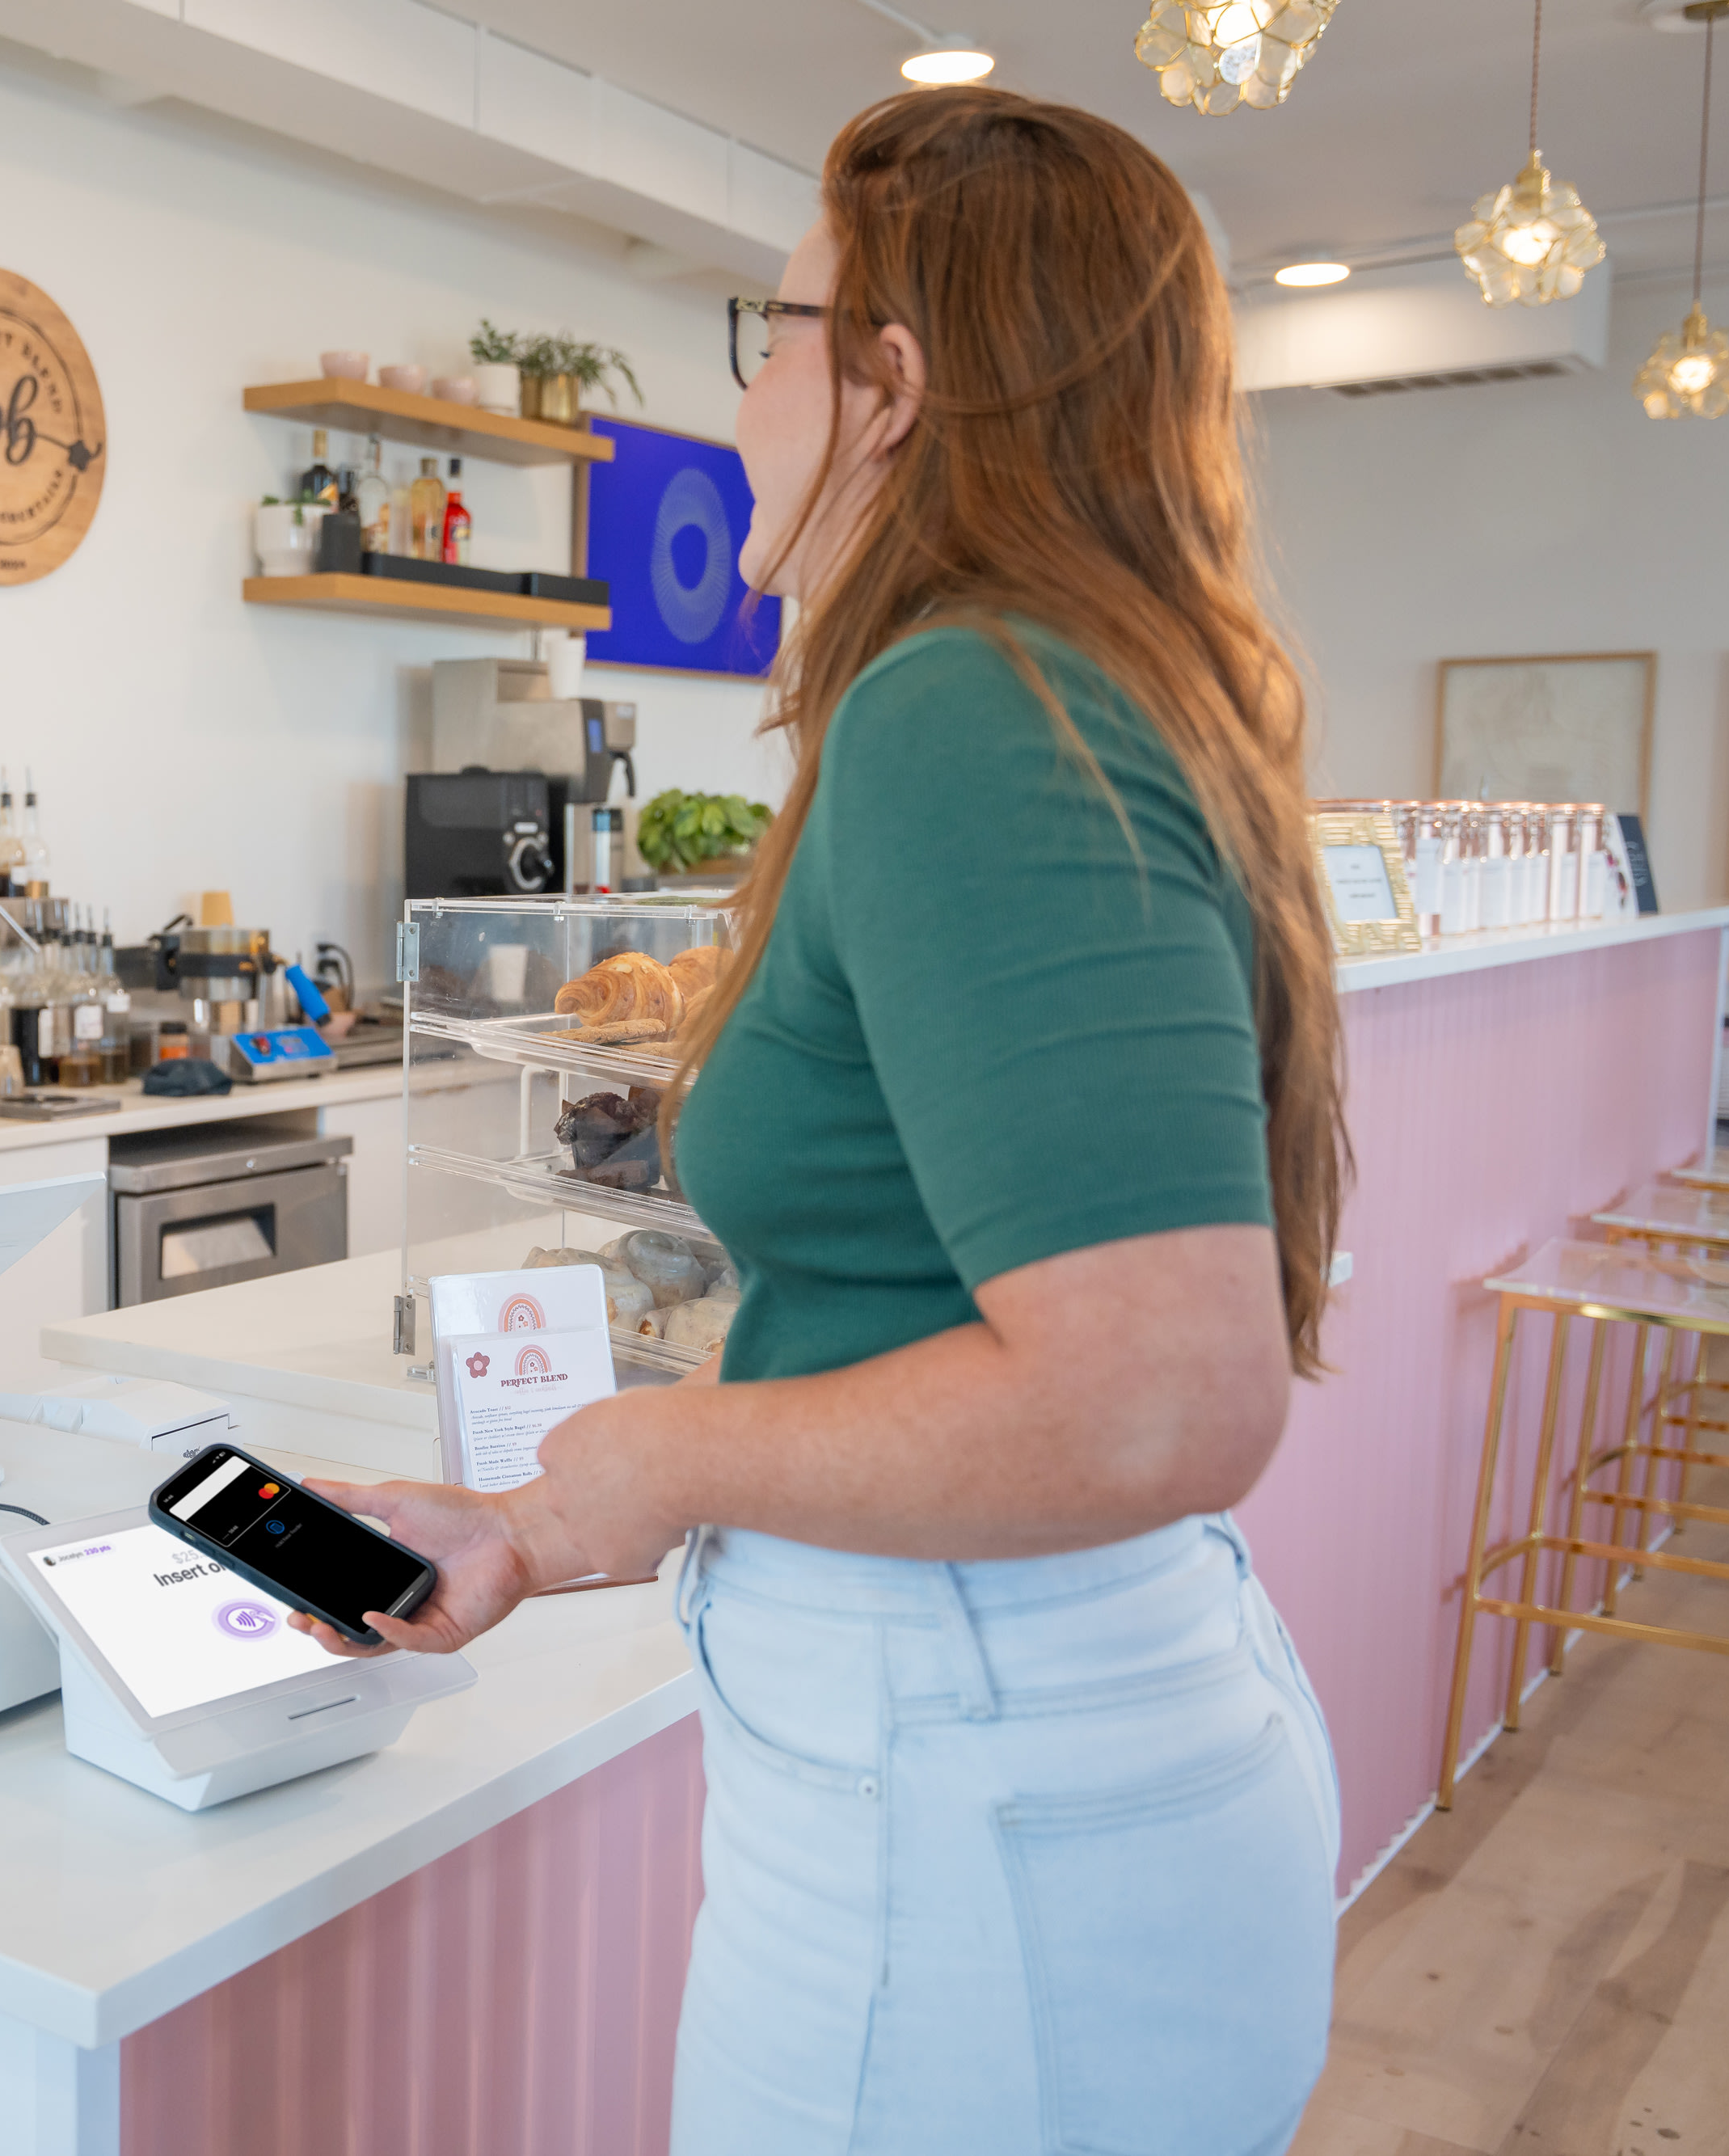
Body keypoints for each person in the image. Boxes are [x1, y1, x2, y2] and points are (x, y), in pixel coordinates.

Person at [289, 89, 1347, 2153]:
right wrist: (525, 1519)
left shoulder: (966, 706)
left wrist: (647, 1454)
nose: (745, 396)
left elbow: (1156, 1396)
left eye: (765, 330)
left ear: (893, 378)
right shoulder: (1071, 689)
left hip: (970, 1791)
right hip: (1015, 1738)